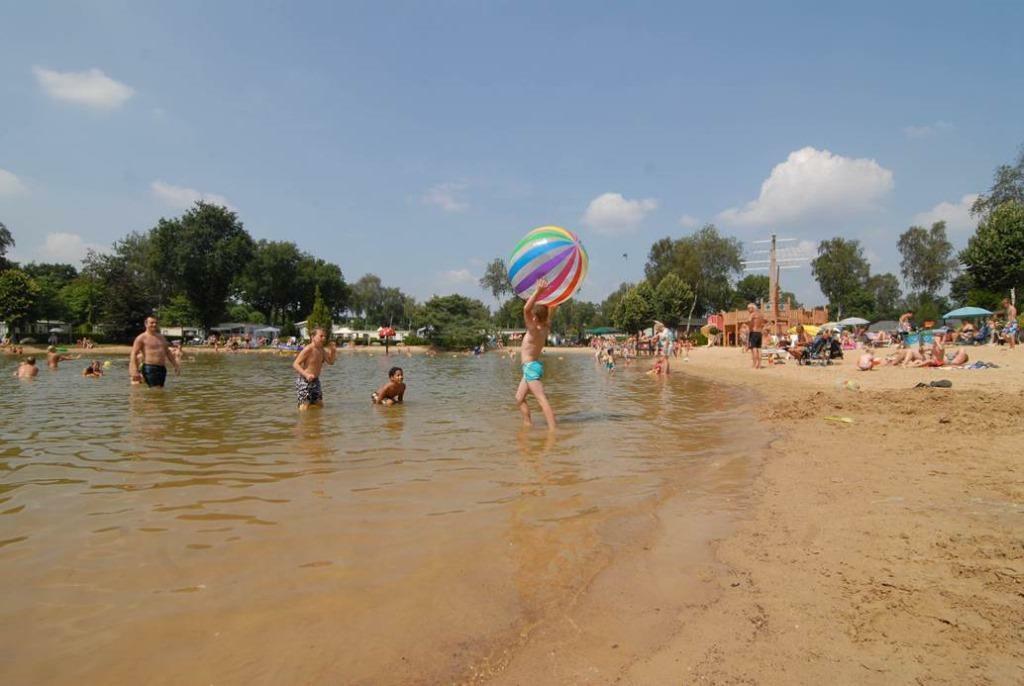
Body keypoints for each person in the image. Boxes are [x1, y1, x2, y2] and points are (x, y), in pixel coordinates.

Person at [515, 278, 558, 429]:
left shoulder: (534, 330)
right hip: (530, 367)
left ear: (534, 318)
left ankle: (553, 431)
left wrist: (539, 291)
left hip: (530, 367)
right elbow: (550, 309)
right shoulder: (546, 327)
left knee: (541, 399)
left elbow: (526, 309)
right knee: (519, 398)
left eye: (532, 315)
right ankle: (527, 424)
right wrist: (549, 294)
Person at [292, 327, 337, 410]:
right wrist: (306, 374)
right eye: (321, 336)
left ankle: (315, 421)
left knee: (319, 404)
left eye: (325, 336)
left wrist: (333, 351)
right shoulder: (308, 349)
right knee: (304, 405)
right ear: (312, 337)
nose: (324, 338)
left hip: (315, 381)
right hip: (304, 380)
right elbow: (295, 364)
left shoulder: (322, 350)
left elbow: (331, 362)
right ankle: (303, 422)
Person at [129, 316, 180, 387]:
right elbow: (134, 353)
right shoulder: (141, 338)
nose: (154, 324)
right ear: (146, 324)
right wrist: (134, 370)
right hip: (150, 368)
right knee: (155, 390)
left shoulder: (161, 337)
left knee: (159, 390)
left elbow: (168, 352)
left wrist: (175, 365)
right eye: (152, 323)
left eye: (156, 323)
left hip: (162, 368)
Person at [747, 303, 764, 369]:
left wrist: (749, 326)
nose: (748, 310)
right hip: (760, 333)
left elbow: (749, 321)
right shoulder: (761, 315)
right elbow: (763, 323)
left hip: (754, 332)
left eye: (749, 308)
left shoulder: (752, 314)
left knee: (753, 348)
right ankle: (759, 365)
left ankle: (754, 364)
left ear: (753, 308)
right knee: (759, 348)